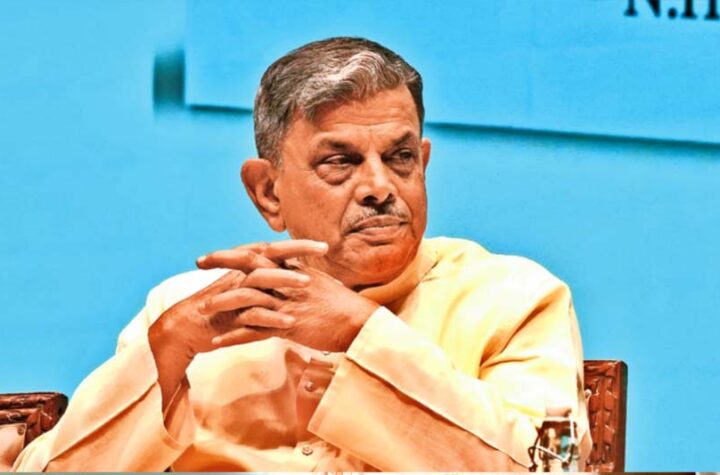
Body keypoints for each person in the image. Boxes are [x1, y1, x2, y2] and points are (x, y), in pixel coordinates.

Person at [13, 37, 591, 472]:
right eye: (340, 161)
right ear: (268, 192)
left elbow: (552, 468)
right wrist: (163, 357)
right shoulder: (187, 312)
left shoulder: (513, 299)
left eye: (400, 157)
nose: (379, 187)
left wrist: (360, 334)